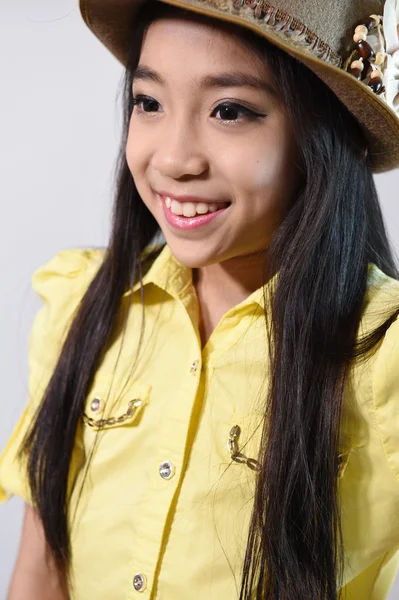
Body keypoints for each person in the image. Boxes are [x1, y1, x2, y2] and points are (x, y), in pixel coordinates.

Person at [1, 0, 399, 598]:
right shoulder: (85, 307)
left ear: (320, 133)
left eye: (230, 110)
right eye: (149, 102)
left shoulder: (381, 354)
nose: (174, 159)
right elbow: (41, 569)